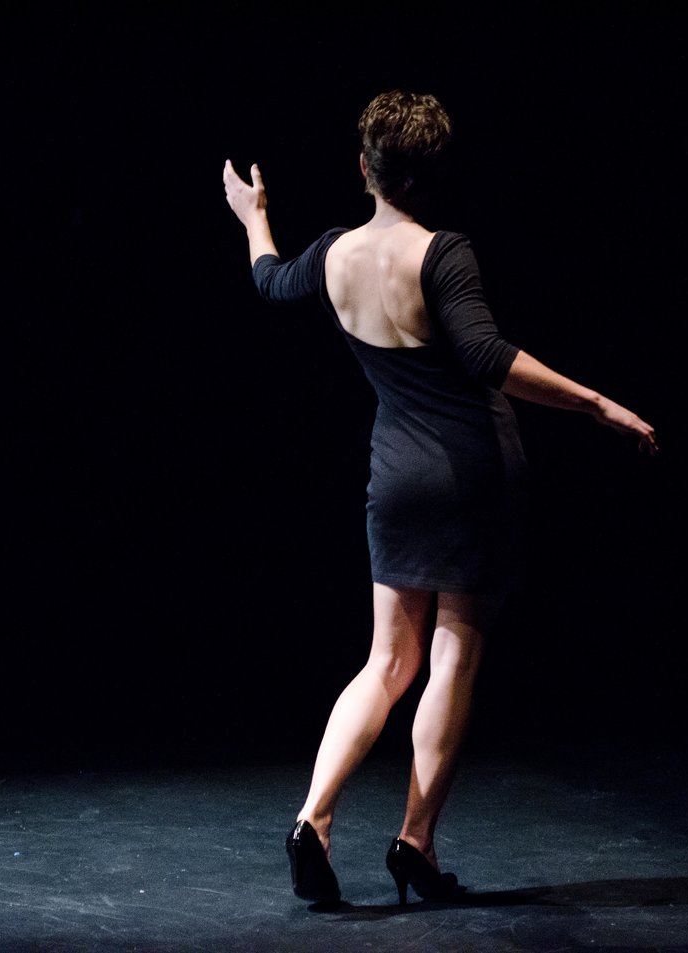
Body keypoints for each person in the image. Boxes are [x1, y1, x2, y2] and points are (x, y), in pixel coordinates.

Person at [221, 90, 658, 908]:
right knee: (452, 655)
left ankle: (313, 816)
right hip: (471, 475)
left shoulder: (336, 253)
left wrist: (255, 216)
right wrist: (598, 404)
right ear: (432, 174)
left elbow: (271, 281)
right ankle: (415, 842)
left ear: (364, 167)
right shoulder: (443, 253)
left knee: (386, 662)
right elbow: (488, 356)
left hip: (394, 477)